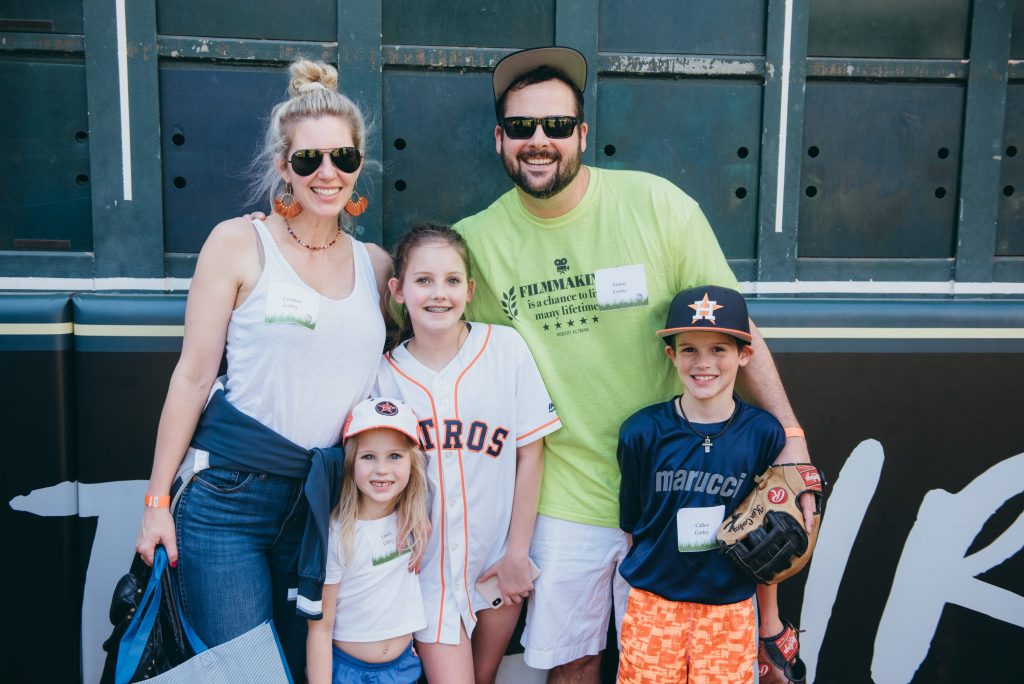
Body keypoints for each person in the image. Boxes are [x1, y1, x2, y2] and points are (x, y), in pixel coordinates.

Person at [454, 47, 813, 682]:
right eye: (521, 127)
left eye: (557, 126)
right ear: (499, 138)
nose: (539, 141)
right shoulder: (476, 243)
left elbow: (736, 329)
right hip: (567, 500)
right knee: (575, 663)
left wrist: (791, 439)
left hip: (683, 493)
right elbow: (422, 314)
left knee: (687, 667)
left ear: (582, 134)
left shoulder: (657, 206)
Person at [134, 58, 391, 679]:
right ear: (284, 167)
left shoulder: (378, 266)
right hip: (230, 504)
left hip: (327, 508)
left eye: (342, 158)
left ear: (359, 164)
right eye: (308, 160)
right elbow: (193, 378)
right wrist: (156, 500)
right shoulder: (237, 243)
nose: (327, 174)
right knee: (247, 674)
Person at [374, 223, 561, 683]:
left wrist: (518, 552)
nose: (439, 293)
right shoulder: (385, 375)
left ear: (470, 289)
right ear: (398, 290)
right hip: (427, 574)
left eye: (452, 280)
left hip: (497, 562)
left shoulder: (505, 349)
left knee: (486, 678)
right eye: (423, 280)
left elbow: (531, 456)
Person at [617, 285, 784, 683]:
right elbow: (633, 525)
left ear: (744, 355)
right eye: (689, 348)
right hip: (654, 606)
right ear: (671, 355)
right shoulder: (642, 431)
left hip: (729, 607)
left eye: (719, 349)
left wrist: (771, 622)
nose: (703, 363)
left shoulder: (763, 434)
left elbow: (772, 540)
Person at [306, 397, 430, 684]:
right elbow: (320, 629)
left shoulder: (412, 521)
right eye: (368, 456)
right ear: (351, 463)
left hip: (404, 668)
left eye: (395, 456)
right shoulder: (339, 533)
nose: (382, 469)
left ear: (412, 464)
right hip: (350, 672)